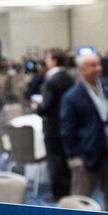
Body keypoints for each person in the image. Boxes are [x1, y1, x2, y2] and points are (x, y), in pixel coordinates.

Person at [60, 52, 108, 211]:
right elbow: (67, 131)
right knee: (80, 200)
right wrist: (75, 156)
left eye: (99, 64)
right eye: (93, 65)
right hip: (86, 155)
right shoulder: (72, 97)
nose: (98, 68)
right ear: (82, 69)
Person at [33, 49, 75, 202]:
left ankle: (58, 193)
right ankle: (68, 190)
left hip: (52, 127)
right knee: (64, 160)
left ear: (54, 60)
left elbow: (45, 107)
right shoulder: (70, 78)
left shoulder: (51, 81)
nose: (46, 61)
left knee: (55, 161)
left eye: (48, 58)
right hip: (67, 125)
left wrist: (36, 107)